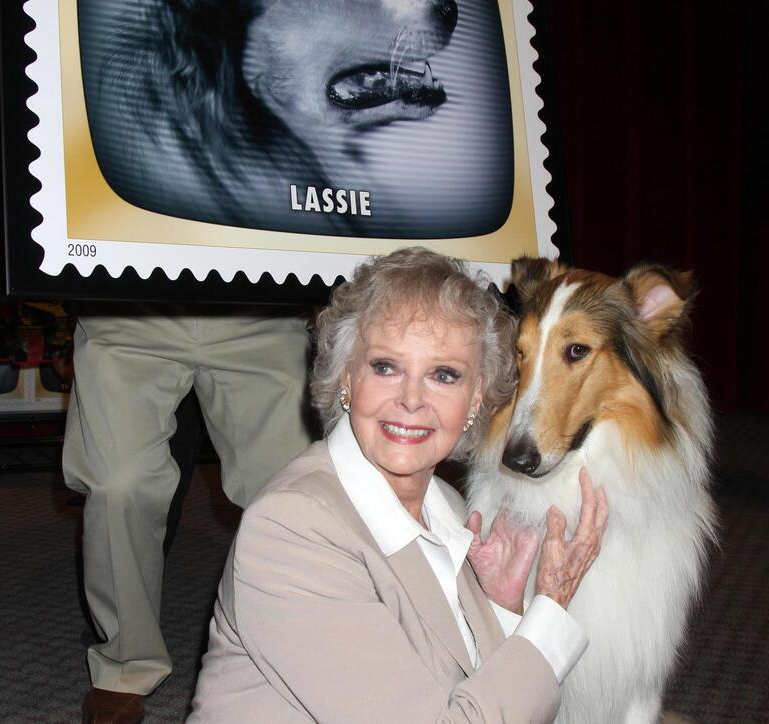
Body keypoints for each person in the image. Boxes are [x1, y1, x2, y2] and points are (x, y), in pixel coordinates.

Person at [190, 248, 608, 722]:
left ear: (477, 399)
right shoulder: (289, 529)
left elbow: (477, 691)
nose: (411, 400)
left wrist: (505, 607)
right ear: (347, 375)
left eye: (443, 375)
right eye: (386, 367)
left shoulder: (445, 506)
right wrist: (550, 610)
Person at [63, 302, 313, 724]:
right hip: (130, 306)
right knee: (119, 486)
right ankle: (124, 667)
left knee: (290, 495)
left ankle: (280, 653)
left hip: (260, 309)